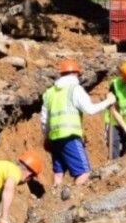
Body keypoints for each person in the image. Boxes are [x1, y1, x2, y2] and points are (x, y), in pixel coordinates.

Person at [41, 58, 116, 188]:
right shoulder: (75, 89)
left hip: (54, 139)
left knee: (58, 174)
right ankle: (71, 204)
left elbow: (44, 119)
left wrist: (46, 137)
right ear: (76, 74)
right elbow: (90, 110)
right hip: (70, 137)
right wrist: (108, 101)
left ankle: (52, 203)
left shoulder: (50, 92)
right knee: (84, 173)